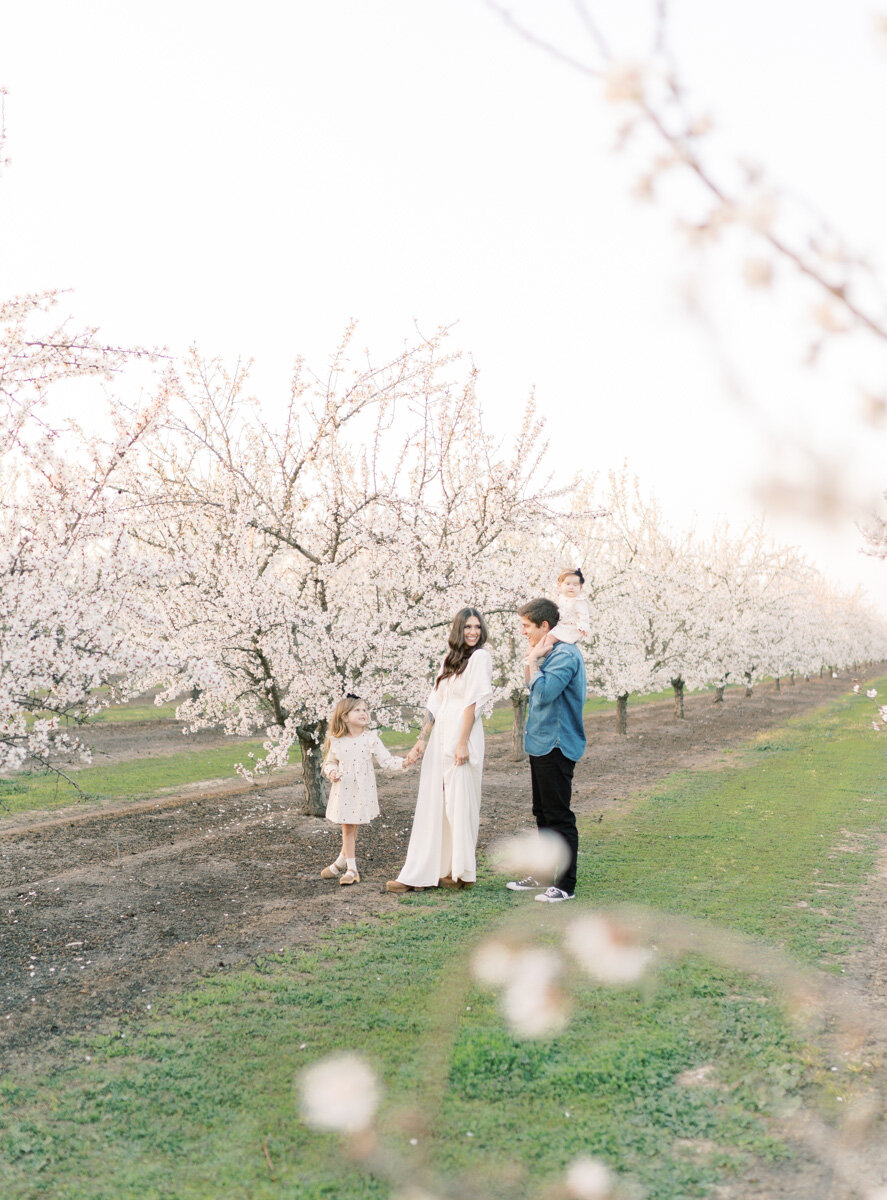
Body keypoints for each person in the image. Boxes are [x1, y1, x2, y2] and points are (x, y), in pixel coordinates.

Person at [386, 608, 494, 894]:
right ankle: (430, 870)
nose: (473, 632)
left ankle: (461, 871)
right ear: (458, 630)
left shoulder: (481, 658)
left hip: (462, 736)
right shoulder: (448, 660)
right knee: (434, 802)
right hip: (440, 738)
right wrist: (422, 739)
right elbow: (435, 702)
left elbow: (473, 704)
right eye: (468, 627)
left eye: (477, 627)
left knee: (459, 803)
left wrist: (462, 742)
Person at [508, 597, 587, 903]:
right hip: (541, 743)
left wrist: (530, 662)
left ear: (544, 626)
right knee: (542, 812)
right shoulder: (548, 651)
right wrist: (534, 659)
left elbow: (542, 692)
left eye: (527, 627)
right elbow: (534, 690)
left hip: (557, 744)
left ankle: (565, 884)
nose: (524, 632)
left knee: (558, 815)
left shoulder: (565, 655)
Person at [320, 694, 408, 886]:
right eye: (357, 710)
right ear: (344, 716)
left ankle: (341, 862)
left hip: (361, 790)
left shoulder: (370, 738)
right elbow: (330, 762)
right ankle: (351, 869)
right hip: (344, 789)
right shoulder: (337, 740)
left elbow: (386, 761)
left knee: (352, 826)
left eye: (365, 710)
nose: (363, 713)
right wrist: (332, 772)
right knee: (348, 827)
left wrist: (404, 762)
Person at [547, 568, 590, 647]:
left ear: (580, 587)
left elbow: (584, 616)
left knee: (548, 640)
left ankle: (535, 657)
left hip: (570, 628)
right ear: (560, 585)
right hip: (560, 625)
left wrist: (582, 627)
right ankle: (532, 655)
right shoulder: (560, 598)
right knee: (544, 639)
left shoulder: (578, 601)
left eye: (575, 585)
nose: (571, 587)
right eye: (568, 584)